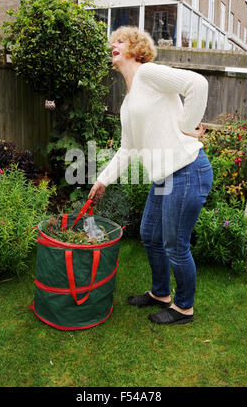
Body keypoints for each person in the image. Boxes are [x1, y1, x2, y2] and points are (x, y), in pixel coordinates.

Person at [88, 26, 213, 325]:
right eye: (112, 42)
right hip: (164, 177)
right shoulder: (128, 102)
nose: (113, 46)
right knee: (149, 234)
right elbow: (127, 148)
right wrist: (102, 179)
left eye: (120, 41)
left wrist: (186, 126)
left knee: (175, 245)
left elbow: (198, 83)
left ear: (136, 48)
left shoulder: (148, 73)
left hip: (187, 169)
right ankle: (160, 294)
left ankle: (184, 308)